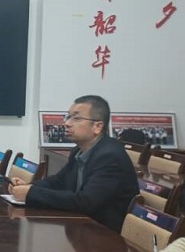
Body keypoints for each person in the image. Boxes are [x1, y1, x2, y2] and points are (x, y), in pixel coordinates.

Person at [8, 95, 138, 231]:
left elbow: (86, 202)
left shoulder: (110, 156)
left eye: (76, 118)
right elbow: (58, 181)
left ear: (97, 127)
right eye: (68, 117)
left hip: (105, 234)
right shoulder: (79, 150)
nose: (67, 123)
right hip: (82, 227)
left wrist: (31, 194)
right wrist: (29, 186)